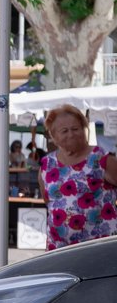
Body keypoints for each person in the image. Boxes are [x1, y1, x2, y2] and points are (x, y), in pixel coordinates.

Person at [37, 104, 117, 251]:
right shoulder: (47, 164)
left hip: (101, 247)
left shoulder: (102, 158)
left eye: (75, 129)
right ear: (54, 136)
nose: (71, 134)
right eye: (64, 131)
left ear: (84, 129)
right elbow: (47, 200)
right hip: (59, 249)